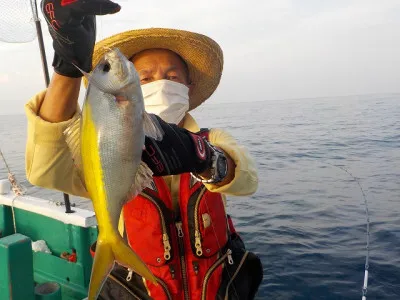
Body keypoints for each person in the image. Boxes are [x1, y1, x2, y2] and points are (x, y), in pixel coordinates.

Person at [25, 0, 263, 299]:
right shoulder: (100, 146)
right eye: (146, 77)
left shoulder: (211, 138)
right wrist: (67, 67)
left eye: (173, 77)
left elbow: (248, 180)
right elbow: (45, 170)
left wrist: (206, 158)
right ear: (133, 86)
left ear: (189, 84)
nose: (161, 84)